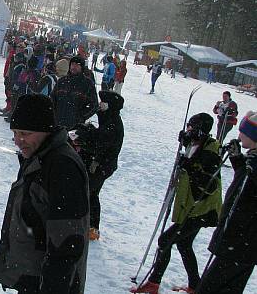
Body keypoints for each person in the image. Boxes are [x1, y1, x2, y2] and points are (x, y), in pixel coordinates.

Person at [0, 94, 89, 294]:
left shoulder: (62, 166)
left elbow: (67, 244)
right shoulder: (39, 155)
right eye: (15, 133)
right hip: (32, 276)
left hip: (47, 282)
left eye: (25, 133)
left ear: (45, 130)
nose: (18, 141)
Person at [132, 113, 222, 294]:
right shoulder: (196, 142)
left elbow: (207, 182)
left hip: (203, 209)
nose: (189, 129)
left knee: (165, 240)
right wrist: (185, 141)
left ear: (200, 129)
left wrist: (189, 165)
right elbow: (189, 158)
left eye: (191, 126)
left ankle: (153, 283)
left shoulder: (211, 149)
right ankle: (195, 286)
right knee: (184, 243)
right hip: (193, 207)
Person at [198, 111, 257, 294]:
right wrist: (238, 160)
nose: (239, 135)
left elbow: (246, 197)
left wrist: (249, 170)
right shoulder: (252, 159)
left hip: (240, 239)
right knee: (229, 287)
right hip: (244, 242)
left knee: (211, 287)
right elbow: (248, 190)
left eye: (243, 132)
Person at [73, 90, 124, 240]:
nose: (100, 104)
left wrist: (83, 141)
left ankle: (89, 227)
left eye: (103, 102)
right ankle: (90, 227)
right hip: (99, 163)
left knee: (88, 193)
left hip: (102, 166)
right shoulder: (108, 118)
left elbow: (100, 144)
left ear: (110, 105)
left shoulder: (112, 124)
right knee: (91, 194)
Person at [51, 56, 99, 130]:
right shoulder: (62, 81)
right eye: (72, 64)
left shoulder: (87, 84)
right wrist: (54, 113)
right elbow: (52, 98)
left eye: (77, 65)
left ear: (82, 67)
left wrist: (81, 116)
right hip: (58, 123)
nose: (74, 67)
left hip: (75, 126)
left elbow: (94, 104)